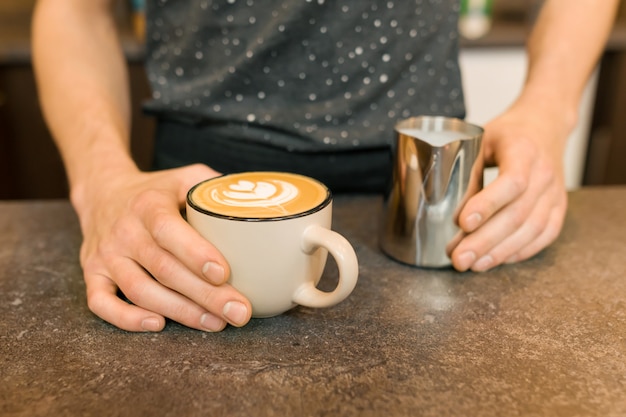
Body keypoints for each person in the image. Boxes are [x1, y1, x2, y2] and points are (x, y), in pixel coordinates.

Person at [32, 0, 619, 332]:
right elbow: (73, 11)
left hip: (432, 197)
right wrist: (101, 180)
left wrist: (549, 109)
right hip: (194, 202)